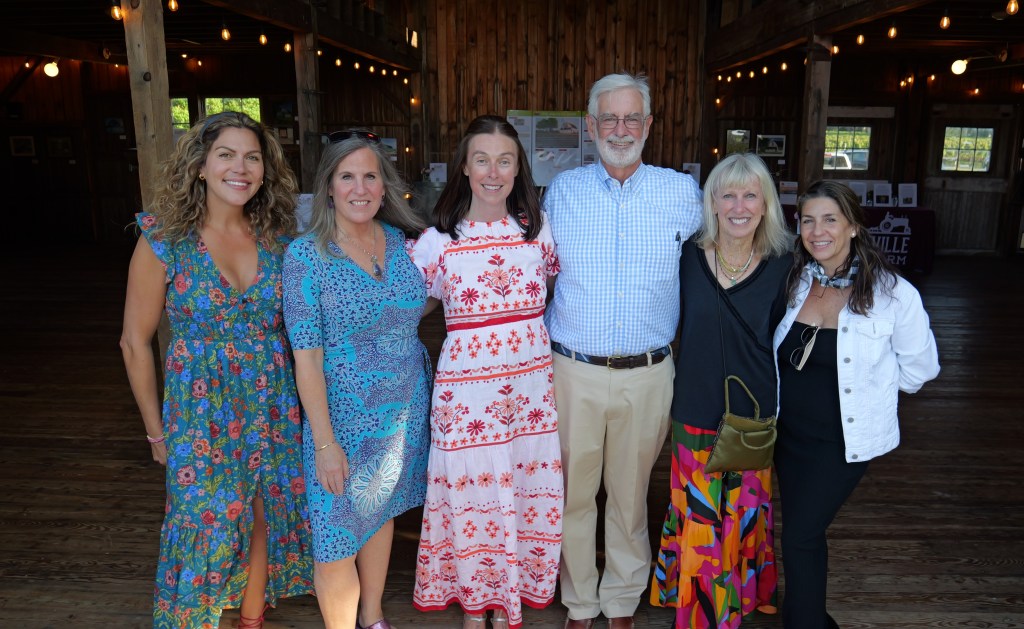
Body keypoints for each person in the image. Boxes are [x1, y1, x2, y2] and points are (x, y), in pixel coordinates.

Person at [120, 111, 314, 629]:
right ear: (201, 166)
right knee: (202, 521)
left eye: (252, 157)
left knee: (262, 515)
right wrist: (154, 431)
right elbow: (135, 343)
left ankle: (252, 618)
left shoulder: (278, 237)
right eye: (226, 155)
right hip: (200, 405)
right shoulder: (165, 240)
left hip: (270, 400)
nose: (241, 168)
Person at [543, 73, 703, 629]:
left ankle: (622, 599)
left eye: (631, 117)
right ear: (590, 126)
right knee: (573, 495)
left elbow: (724, 257)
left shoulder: (681, 193)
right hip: (572, 370)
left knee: (631, 496)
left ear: (649, 125)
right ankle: (580, 599)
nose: (620, 129)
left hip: (648, 372)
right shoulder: (562, 192)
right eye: (608, 118)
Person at [410, 115, 563, 629]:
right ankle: (478, 602)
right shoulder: (437, 242)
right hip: (466, 398)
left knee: (521, 489)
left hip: (529, 392)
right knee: (473, 492)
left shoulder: (538, 233)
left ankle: (509, 596)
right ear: (465, 167)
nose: (493, 172)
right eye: (482, 159)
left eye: (505, 160)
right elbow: (408, 310)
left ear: (519, 169)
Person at [772, 180, 939, 628]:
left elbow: (920, 369)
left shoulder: (893, 294)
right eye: (808, 220)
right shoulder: (794, 279)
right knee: (804, 533)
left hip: (841, 442)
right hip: (787, 437)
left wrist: (873, 389)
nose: (817, 231)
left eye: (830, 219)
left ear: (853, 227)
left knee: (801, 535)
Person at [283, 130, 431, 629]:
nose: (360, 187)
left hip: (400, 414)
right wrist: (324, 442)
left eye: (370, 175)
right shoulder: (307, 256)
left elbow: (410, 303)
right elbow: (305, 358)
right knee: (334, 540)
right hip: (341, 420)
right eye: (347, 176)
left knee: (379, 513)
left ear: (384, 186)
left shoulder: (400, 242)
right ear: (328, 187)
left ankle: (373, 618)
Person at [649, 153, 791, 627]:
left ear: (766, 204)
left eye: (750, 194)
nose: (738, 205)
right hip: (694, 407)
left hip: (752, 414)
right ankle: (702, 614)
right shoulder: (685, 257)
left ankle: (741, 594)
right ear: (710, 202)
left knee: (744, 512)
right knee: (700, 518)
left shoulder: (785, 266)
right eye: (727, 194)